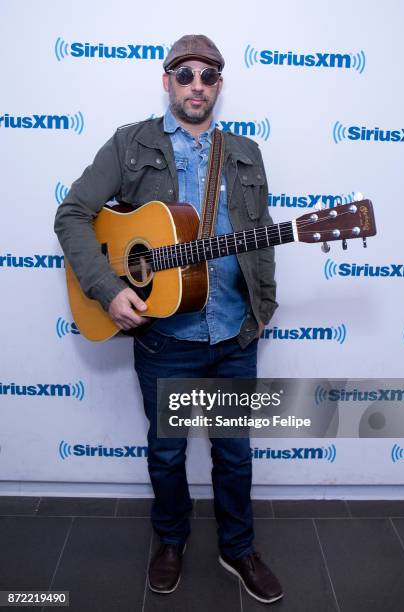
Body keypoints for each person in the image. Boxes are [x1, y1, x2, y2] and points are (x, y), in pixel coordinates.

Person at [54, 34, 283, 604]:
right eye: (185, 74)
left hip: (233, 334)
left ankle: (238, 547)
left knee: (234, 451)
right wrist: (107, 288)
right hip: (165, 338)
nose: (196, 85)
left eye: (208, 76)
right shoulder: (130, 146)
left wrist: (264, 305)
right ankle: (171, 541)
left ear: (220, 86)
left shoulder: (247, 153)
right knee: (166, 452)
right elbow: (73, 215)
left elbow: (263, 239)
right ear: (167, 81)